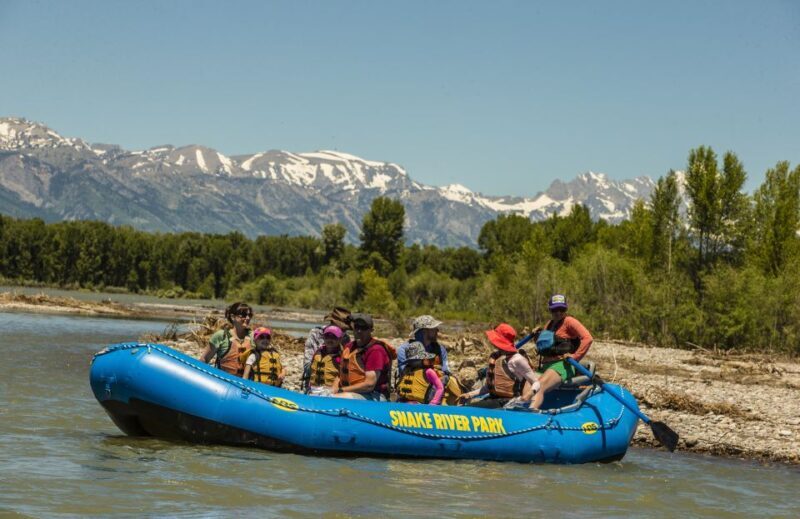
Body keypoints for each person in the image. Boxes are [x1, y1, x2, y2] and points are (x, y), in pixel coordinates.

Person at [530, 294, 593, 410]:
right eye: (554, 310)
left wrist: (575, 357)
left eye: (562, 309)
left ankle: (531, 413)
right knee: (527, 384)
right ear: (550, 310)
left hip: (562, 365)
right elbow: (544, 347)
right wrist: (537, 336)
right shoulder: (549, 324)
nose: (558, 312)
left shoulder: (570, 321)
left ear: (566, 309)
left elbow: (588, 338)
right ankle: (520, 407)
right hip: (545, 365)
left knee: (539, 386)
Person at [457, 323, 540, 409]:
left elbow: (536, 382)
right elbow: (488, 388)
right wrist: (469, 395)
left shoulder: (517, 359)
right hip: (494, 399)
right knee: (464, 406)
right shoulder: (496, 357)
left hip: (508, 403)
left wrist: (529, 394)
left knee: (469, 408)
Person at [396, 314, 461, 404]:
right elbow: (406, 373)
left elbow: (445, 372)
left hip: (434, 395)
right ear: (425, 331)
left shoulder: (440, 349)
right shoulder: (404, 349)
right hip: (410, 397)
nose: (437, 331)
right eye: (434, 328)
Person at [332, 313, 395, 401]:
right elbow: (340, 375)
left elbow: (369, 385)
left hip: (374, 396)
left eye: (364, 328)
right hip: (349, 391)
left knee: (336, 398)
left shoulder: (376, 350)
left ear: (371, 330)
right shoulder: (349, 347)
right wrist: (333, 390)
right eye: (357, 327)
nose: (359, 331)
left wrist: (341, 390)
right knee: (325, 395)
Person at [200, 302, 254, 376]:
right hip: (224, 383)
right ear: (232, 317)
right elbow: (204, 360)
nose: (248, 318)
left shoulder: (254, 336)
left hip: (248, 383)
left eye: (250, 315)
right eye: (244, 315)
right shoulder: (221, 336)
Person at [303, 306, 352, 372]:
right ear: (332, 323)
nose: (343, 332)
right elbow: (307, 364)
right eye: (341, 328)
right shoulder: (315, 333)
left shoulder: (346, 338)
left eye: (344, 329)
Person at [304, 325, 345, 395]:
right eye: (327, 336)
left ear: (340, 339)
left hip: (330, 391)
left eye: (333, 337)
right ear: (323, 337)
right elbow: (311, 372)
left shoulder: (342, 356)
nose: (330, 340)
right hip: (313, 389)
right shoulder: (318, 352)